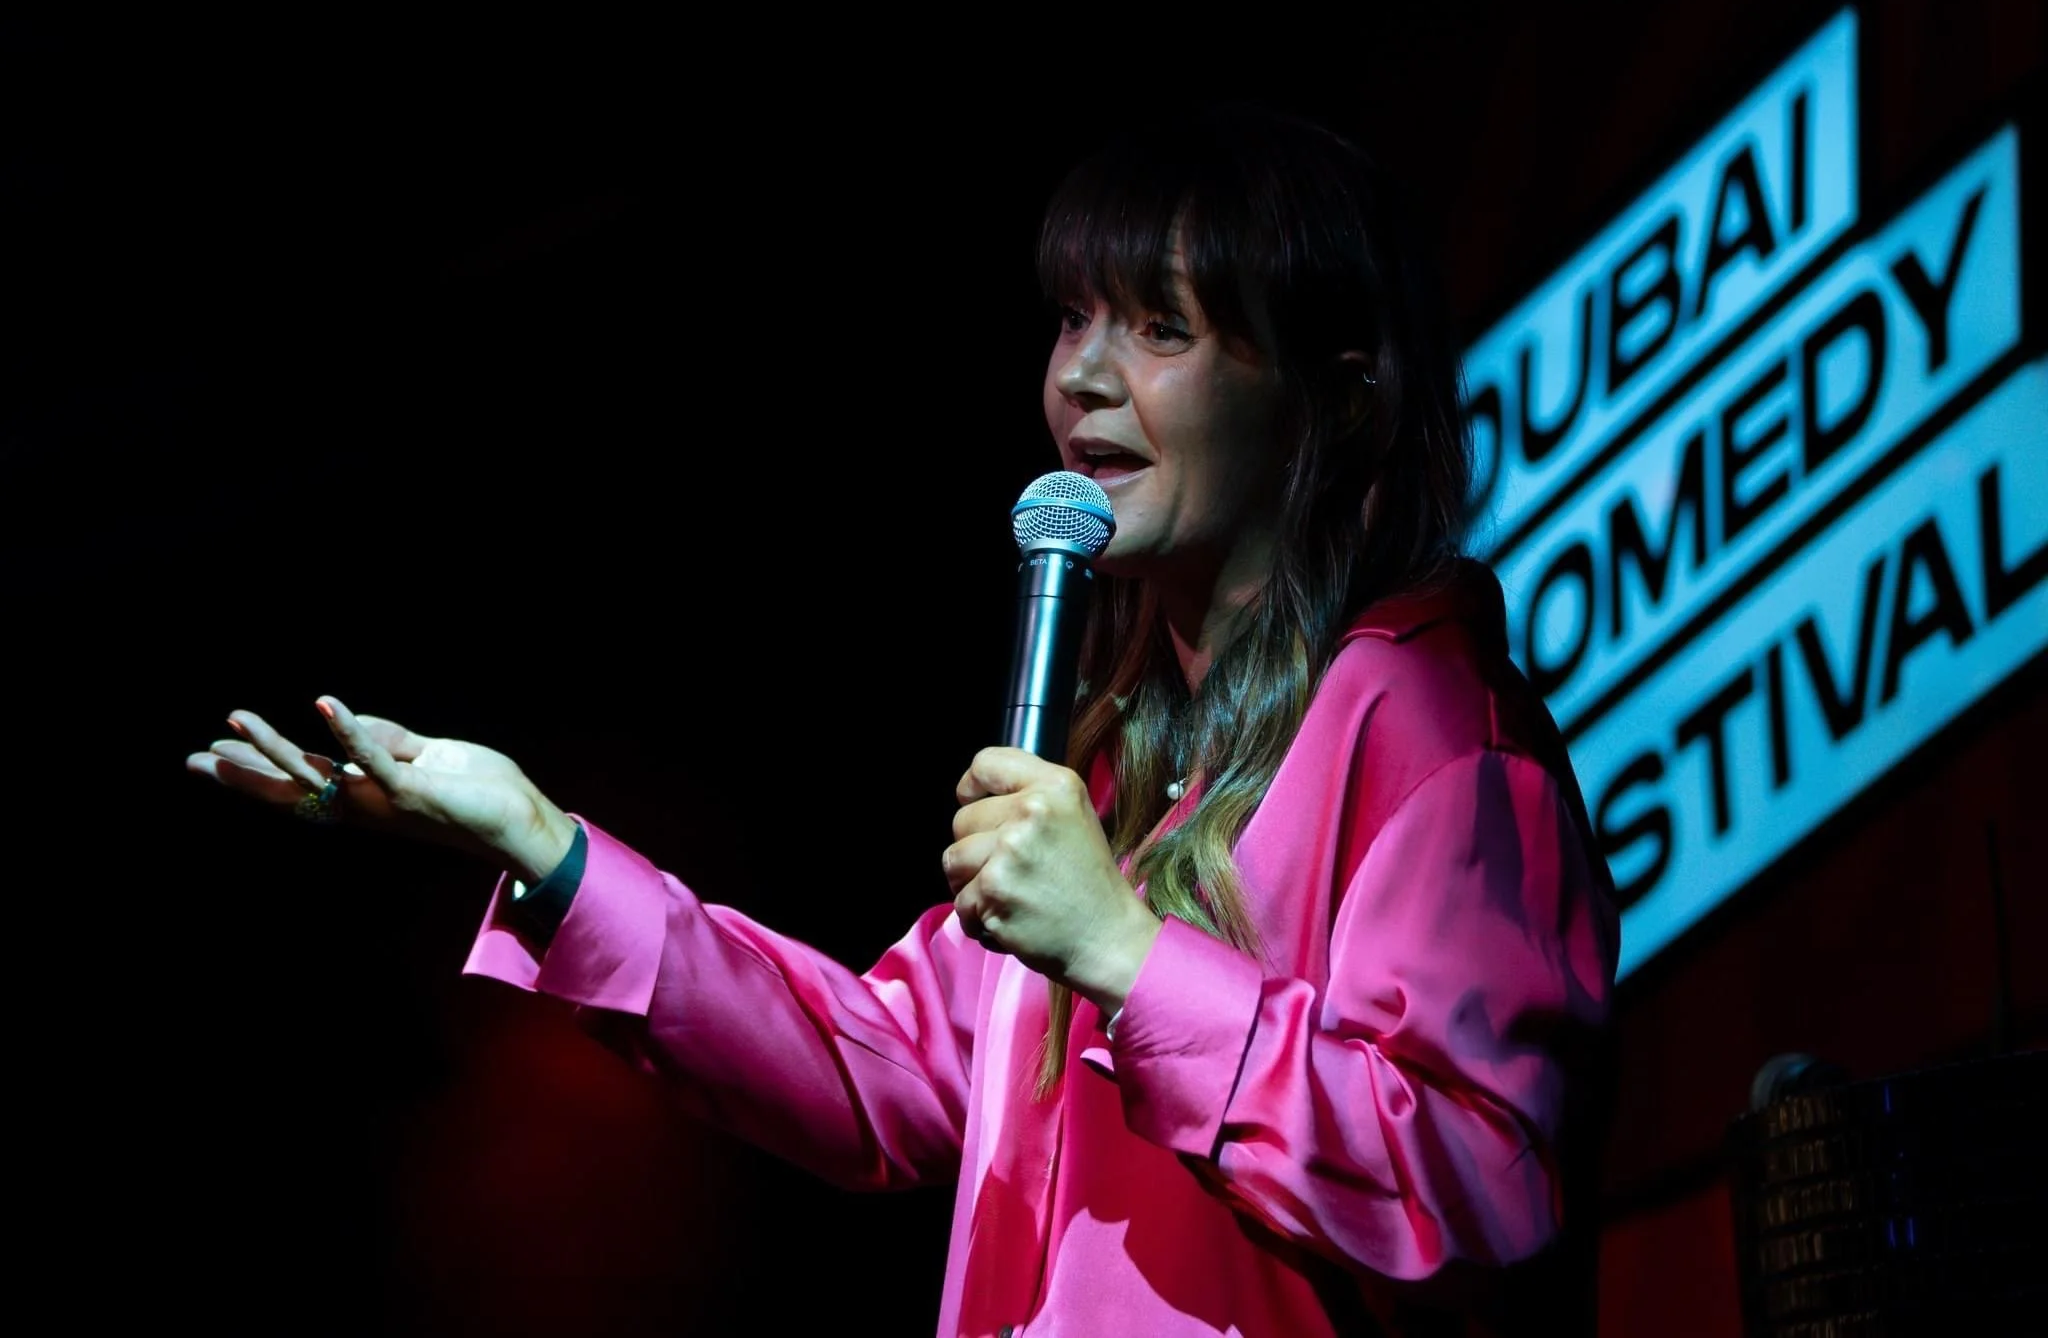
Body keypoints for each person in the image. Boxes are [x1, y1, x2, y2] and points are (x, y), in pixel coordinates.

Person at [188, 104, 1621, 1337]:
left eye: (1161, 327)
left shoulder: (1431, 726)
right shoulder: (1118, 776)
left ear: (1340, 400)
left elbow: (1482, 1190)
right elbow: (880, 1071)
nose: (1080, 375)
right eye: (1073, 316)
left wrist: (1128, 957)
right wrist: (548, 847)